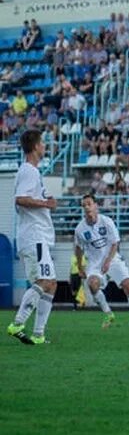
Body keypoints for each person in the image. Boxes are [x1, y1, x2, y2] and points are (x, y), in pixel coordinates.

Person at [7, 129, 57, 345]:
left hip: (39, 236)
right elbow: (21, 199)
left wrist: (45, 200)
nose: (44, 146)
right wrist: (45, 203)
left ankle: (38, 334)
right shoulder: (29, 171)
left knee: (51, 283)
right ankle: (18, 323)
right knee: (45, 281)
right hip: (34, 236)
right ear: (36, 146)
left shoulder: (31, 171)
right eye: (43, 142)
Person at [74, 194, 129, 329]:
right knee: (92, 284)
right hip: (94, 263)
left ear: (96, 205)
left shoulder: (107, 221)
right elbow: (78, 249)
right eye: (84, 205)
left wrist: (108, 261)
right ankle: (108, 313)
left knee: (128, 286)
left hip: (112, 258)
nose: (86, 207)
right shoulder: (79, 229)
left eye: (89, 204)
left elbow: (115, 243)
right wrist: (80, 267)